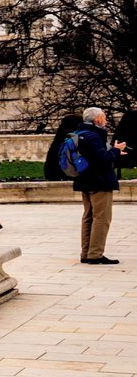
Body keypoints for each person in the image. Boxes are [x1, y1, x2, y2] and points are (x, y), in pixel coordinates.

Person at [73, 106, 125, 264]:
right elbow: (101, 160)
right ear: (97, 120)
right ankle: (95, 254)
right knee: (102, 218)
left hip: (84, 180)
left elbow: (91, 157)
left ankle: (86, 253)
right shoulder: (94, 136)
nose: (106, 120)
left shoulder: (78, 134)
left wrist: (113, 151)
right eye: (104, 117)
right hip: (99, 182)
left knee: (88, 218)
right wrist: (116, 150)